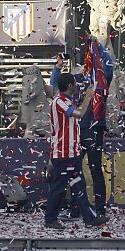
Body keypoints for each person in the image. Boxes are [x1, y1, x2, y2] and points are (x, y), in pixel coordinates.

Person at [51, 37, 115, 220]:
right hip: (77, 132)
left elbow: (109, 65)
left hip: (93, 129)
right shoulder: (76, 78)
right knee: (74, 170)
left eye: (90, 53)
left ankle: (100, 210)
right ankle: (76, 209)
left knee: (95, 170)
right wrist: (57, 68)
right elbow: (56, 86)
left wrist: (99, 47)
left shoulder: (100, 78)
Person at [44, 73, 105, 229]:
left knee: (79, 186)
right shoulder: (59, 101)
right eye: (75, 83)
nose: (77, 86)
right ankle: (50, 219)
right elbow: (79, 114)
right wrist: (89, 96)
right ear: (70, 86)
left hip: (72, 152)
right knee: (59, 188)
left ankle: (89, 218)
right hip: (63, 153)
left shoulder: (67, 101)